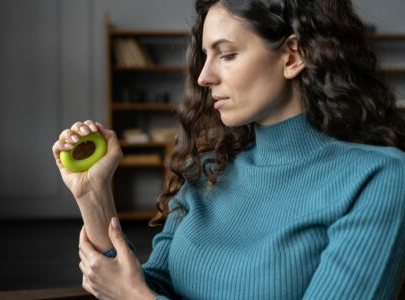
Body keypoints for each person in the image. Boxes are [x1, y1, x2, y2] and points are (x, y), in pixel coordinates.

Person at [52, 0, 405, 299]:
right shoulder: (206, 170)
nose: (204, 76)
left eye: (227, 54)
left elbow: (135, 294)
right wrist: (94, 195)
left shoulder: (378, 178)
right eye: (205, 56)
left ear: (292, 57)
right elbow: (148, 285)